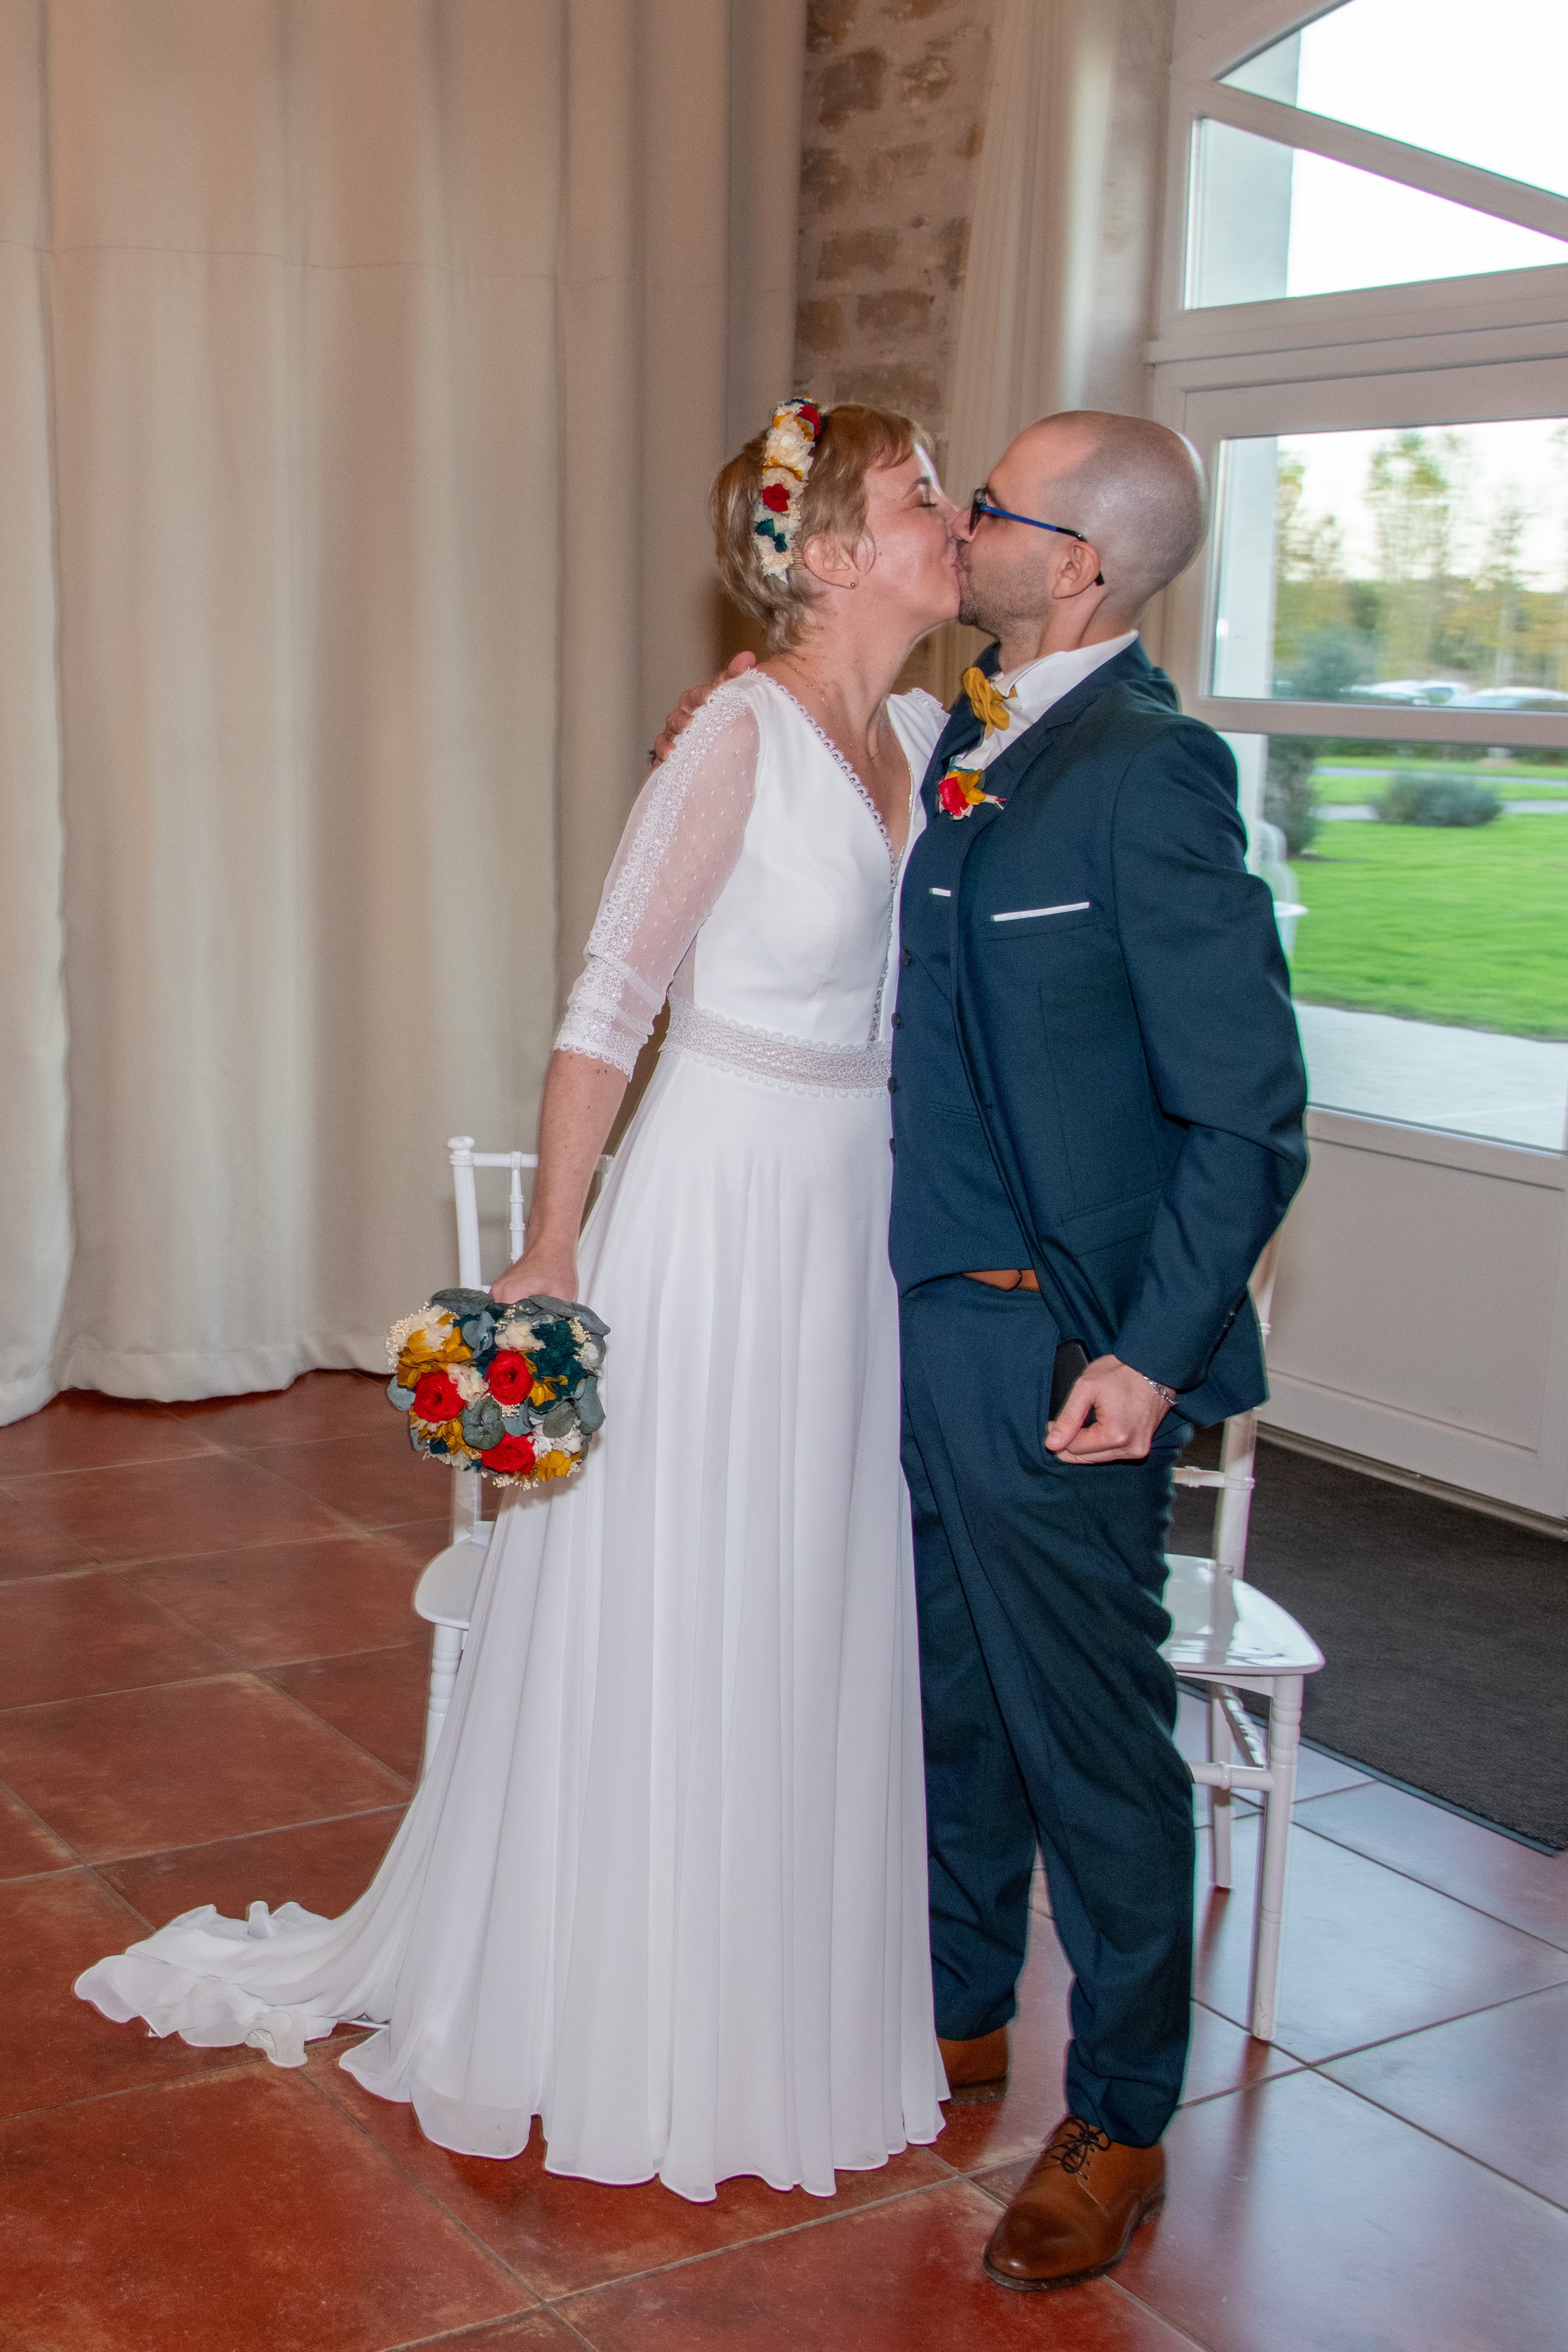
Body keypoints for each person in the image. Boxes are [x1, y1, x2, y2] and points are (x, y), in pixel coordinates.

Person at [77, 401, 963, 2203]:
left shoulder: (938, 738)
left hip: (851, 1221)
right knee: (685, 1581)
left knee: (806, 1587)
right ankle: (617, 1998)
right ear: (830, 553)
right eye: (919, 495)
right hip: (716, 1205)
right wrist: (554, 1246)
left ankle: (767, 1996)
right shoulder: (733, 737)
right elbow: (609, 1000)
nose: (954, 518)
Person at [658, 408, 1309, 2285]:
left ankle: (1119, 2116)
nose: (964, 531)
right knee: (951, 1698)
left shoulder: (1149, 773)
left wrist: (1151, 1357)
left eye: (993, 508)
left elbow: (1247, 1111)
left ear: (1073, 565)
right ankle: (955, 2011)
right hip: (904, 1325)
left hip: (1053, 1354)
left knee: (1089, 1737)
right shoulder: (965, 737)